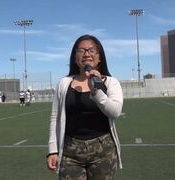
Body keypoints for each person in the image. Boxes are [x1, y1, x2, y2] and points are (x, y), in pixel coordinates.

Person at [46, 34, 123, 179]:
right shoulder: (64, 83)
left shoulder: (111, 82)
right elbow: (55, 118)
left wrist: (96, 90)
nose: (87, 53)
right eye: (81, 50)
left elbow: (115, 112)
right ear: (75, 58)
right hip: (70, 151)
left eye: (92, 50)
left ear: (100, 57)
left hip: (103, 151)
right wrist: (52, 150)